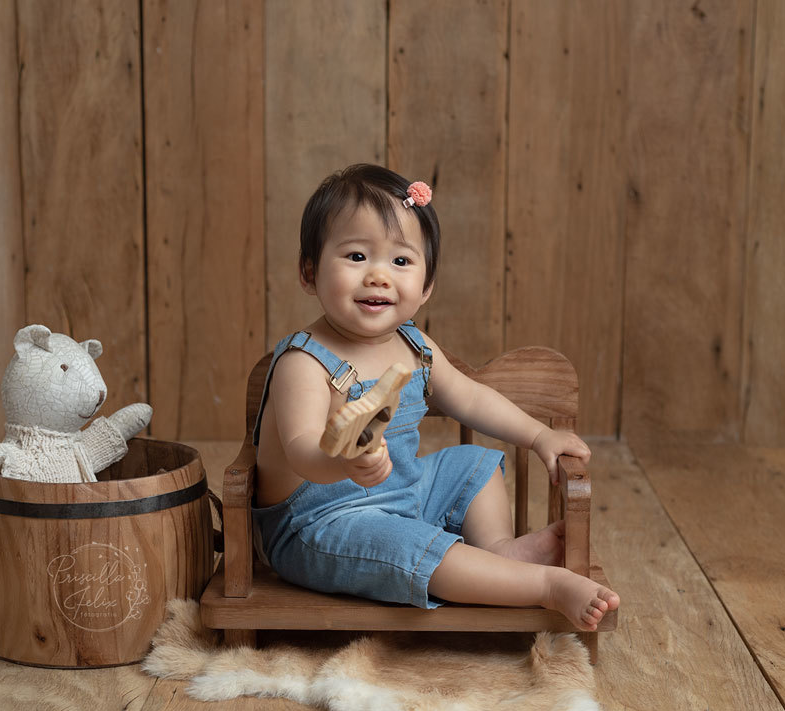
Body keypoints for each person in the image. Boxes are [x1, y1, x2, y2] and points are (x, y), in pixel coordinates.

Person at [251, 163, 619, 631]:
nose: (379, 276)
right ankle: (544, 586)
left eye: (400, 262)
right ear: (309, 272)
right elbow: (302, 450)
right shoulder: (304, 363)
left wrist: (539, 435)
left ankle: (499, 551)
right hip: (322, 527)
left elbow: (472, 399)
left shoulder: (415, 347)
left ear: (425, 288)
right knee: (410, 548)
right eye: (357, 256)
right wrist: (344, 461)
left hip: (400, 494)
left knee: (472, 464)